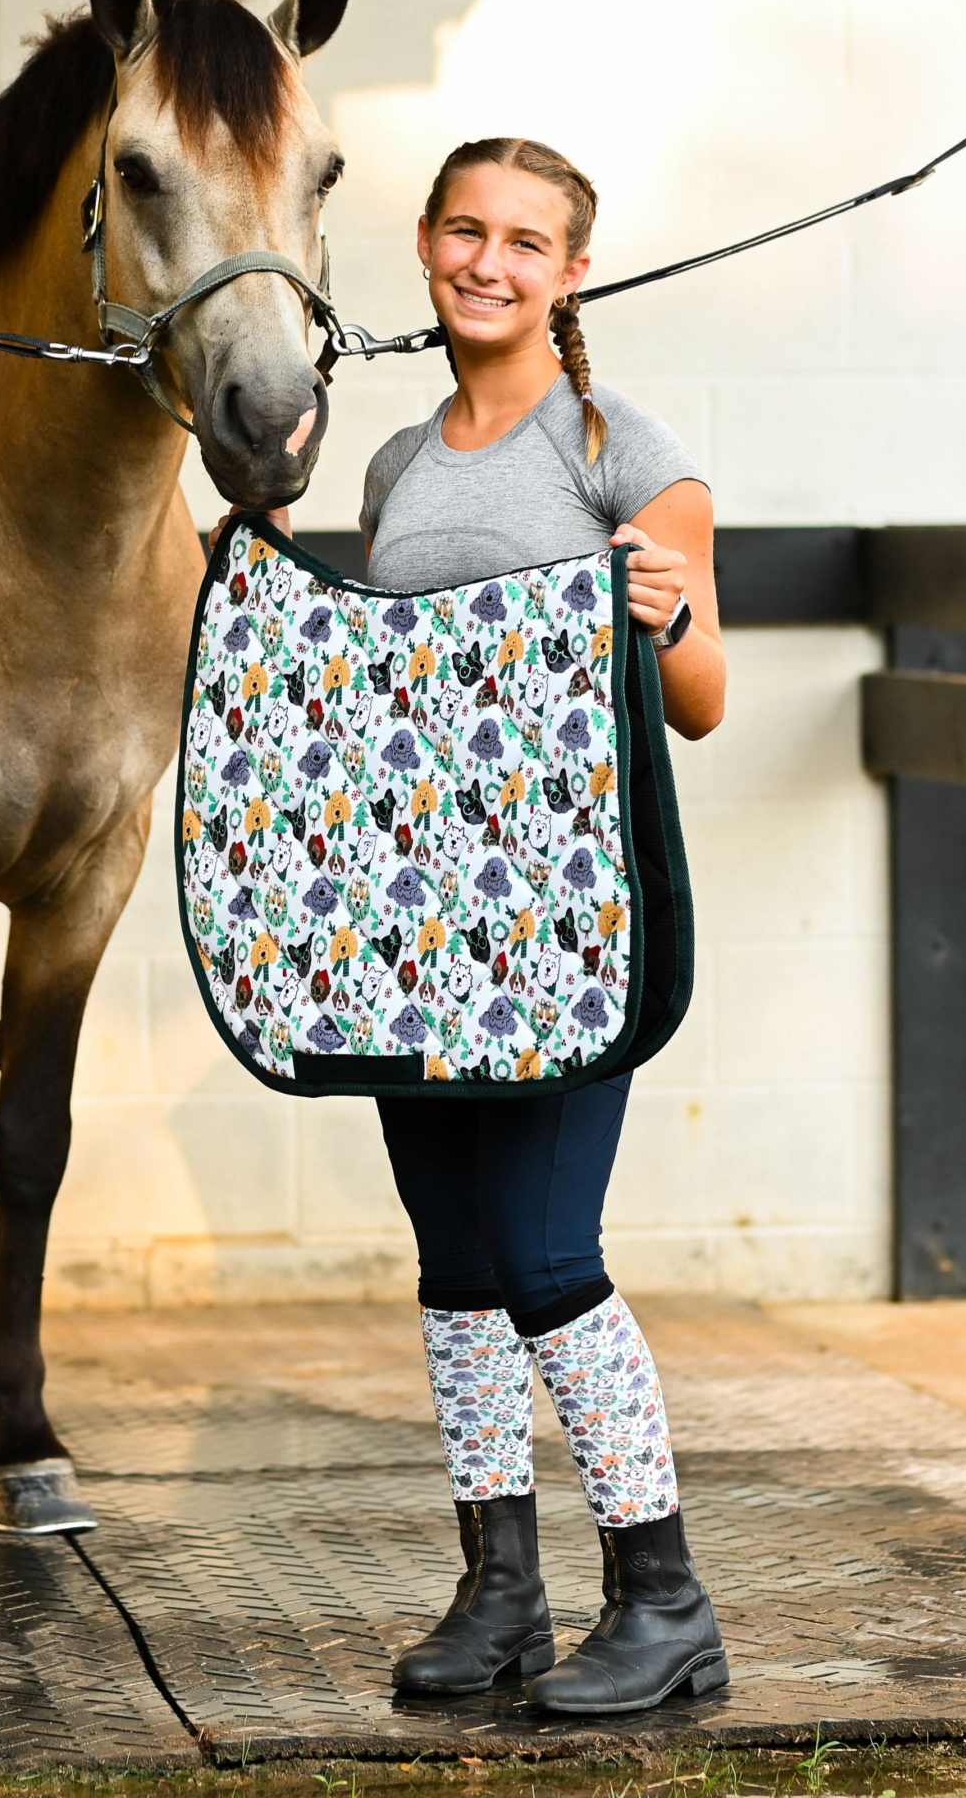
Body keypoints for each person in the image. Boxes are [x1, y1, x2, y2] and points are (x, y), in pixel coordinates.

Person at [213, 136, 729, 1714]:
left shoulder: (621, 451)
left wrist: (672, 618)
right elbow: (388, 711)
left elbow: (703, 705)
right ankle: (498, 1588)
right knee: (454, 1269)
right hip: (422, 935)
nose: (487, 262)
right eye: (462, 231)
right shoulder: (392, 470)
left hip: (570, 927)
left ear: (572, 272)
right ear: (427, 247)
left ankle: (664, 1595)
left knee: (547, 1256)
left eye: (525, 241)